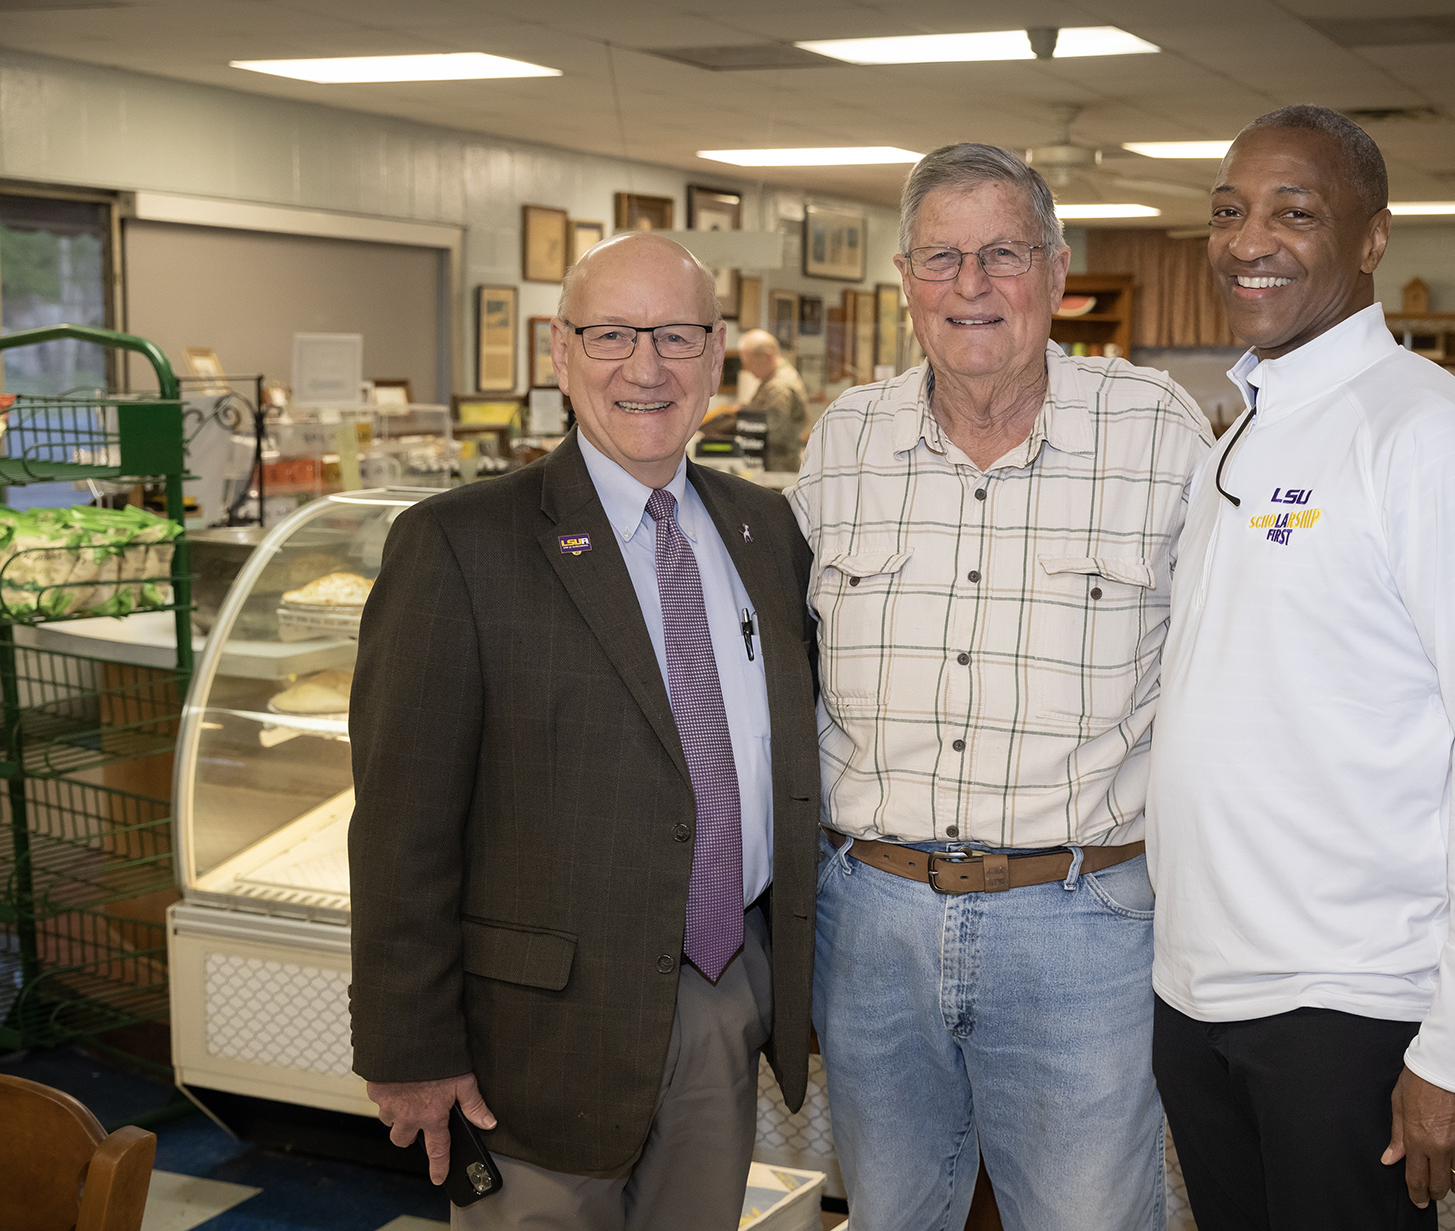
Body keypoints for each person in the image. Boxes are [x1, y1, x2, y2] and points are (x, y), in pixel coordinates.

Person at [1146, 105, 1455, 1229]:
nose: (1249, 240)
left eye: (1294, 211)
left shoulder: (1423, 436)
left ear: (1371, 237)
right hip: (1197, 986)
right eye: (1227, 210)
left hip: (1340, 1004)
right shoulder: (1241, 427)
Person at [349, 233, 821, 1230]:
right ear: (559, 354)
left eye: (677, 335)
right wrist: (409, 1044)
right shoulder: (457, 543)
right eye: (611, 333)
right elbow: (401, 824)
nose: (645, 367)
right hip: (533, 1035)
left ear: (718, 350)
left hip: (719, 994)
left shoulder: (763, 529)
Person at [788, 143, 1211, 1231]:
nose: (969, 285)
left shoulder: (1158, 432)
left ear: (1057, 271)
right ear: (903, 278)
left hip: (1082, 924)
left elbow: (1231, 674)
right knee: (892, 1216)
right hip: (871, 920)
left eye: (1001, 254)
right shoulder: (842, 441)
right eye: (940, 256)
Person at [737, 328, 810, 472]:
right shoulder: (771, 379)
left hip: (779, 468)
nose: (747, 369)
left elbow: (774, 433)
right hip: (773, 464)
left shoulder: (779, 386)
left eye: (749, 362)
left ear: (767, 356)